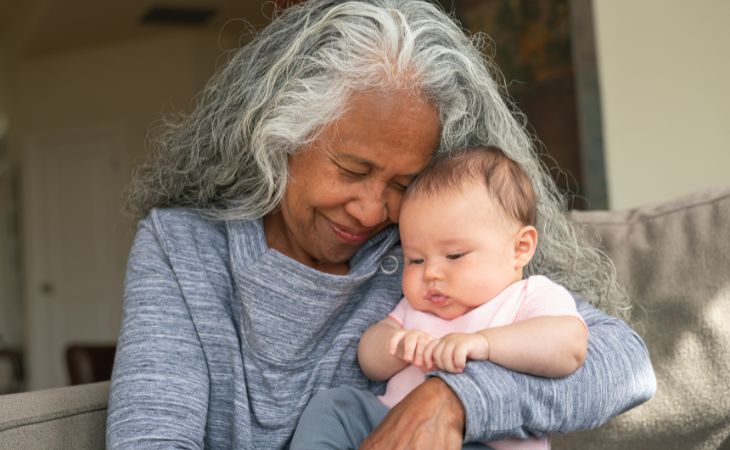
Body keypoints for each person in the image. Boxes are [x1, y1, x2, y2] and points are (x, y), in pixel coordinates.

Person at [107, 1, 656, 449]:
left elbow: (623, 364)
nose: (373, 211)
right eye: (352, 169)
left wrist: (455, 399)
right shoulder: (182, 248)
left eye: (402, 184)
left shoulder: (424, 246)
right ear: (277, 139)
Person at [290, 147, 589, 450]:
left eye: (454, 255)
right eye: (415, 260)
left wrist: (486, 344)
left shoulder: (528, 296)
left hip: (482, 439)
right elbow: (369, 359)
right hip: (391, 423)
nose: (431, 273)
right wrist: (398, 346)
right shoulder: (418, 308)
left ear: (521, 248)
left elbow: (570, 347)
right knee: (335, 407)